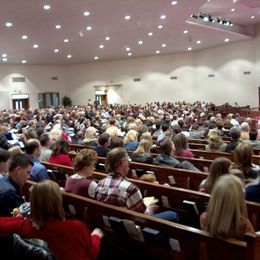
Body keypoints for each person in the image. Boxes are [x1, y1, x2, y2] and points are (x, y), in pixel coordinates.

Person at [0, 180, 103, 260]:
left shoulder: (24, 226)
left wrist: (18, 218)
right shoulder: (76, 227)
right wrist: (96, 236)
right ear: (58, 201)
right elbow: (92, 254)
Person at [95, 147, 179, 222]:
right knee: (172, 214)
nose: (129, 164)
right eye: (128, 160)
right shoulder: (130, 188)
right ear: (122, 163)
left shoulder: (100, 183)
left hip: (111, 222)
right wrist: (150, 208)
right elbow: (142, 217)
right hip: (132, 226)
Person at [200, 175, 254, 239]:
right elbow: (254, 246)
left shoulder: (204, 218)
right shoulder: (245, 225)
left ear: (215, 197)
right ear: (239, 200)